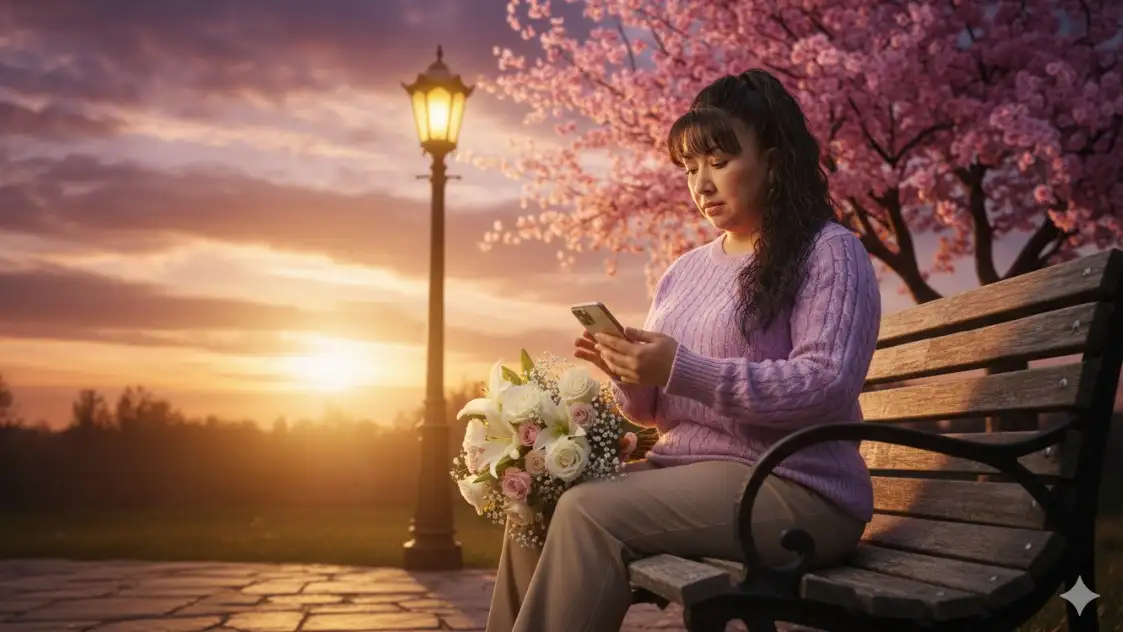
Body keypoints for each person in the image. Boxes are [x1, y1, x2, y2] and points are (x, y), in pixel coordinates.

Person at [485, 68, 881, 632]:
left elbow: (826, 382)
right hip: (695, 478)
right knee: (539, 501)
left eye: (719, 162)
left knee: (587, 512)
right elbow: (654, 410)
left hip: (796, 489)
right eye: (691, 168)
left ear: (772, 159)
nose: (702, 184)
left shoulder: (829, 252)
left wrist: (679, 367)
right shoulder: (686, 270)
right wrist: (630, 373)